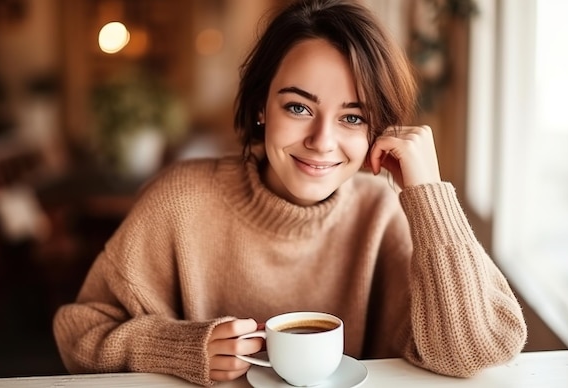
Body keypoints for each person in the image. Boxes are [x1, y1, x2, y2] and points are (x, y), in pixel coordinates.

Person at [53, 0, 527, 386]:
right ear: (262, 106)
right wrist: (176, 347)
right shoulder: (180, 199)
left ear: (377, 130)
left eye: (353, 117)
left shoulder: (385, 212)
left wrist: (428, 195)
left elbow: (476, 351)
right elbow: (78, 333)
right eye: (299, 107)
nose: (322, 140)